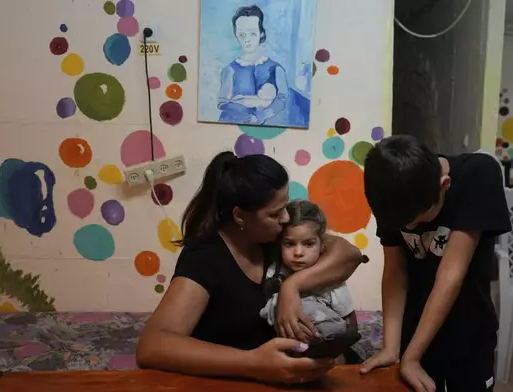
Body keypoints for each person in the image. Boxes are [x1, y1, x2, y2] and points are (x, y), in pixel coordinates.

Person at [136, 151, 363, 385]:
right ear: (240, 216)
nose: (286, 218)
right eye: (275, 213)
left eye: (285, 207)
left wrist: (292, 287)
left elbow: (350, 255)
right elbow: (152, 345)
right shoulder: (205, 257)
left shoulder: (273, 237)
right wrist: (254, 363)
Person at [359, 135, 511, 392]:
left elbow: (451, 273)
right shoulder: (391, 191)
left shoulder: (478, 174)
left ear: (445, 185)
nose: (409, 228)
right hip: (415, 330)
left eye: (417, 220)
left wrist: (412, 357)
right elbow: (396, 274)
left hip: (468, 334)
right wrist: (392, 348)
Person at [260, 199, 358, 338]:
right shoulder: (274, 273)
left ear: (322, 245)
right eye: (289, 244)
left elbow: (351, 326)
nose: (298, 252)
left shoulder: (332, 282)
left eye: (308, 244)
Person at [217, 5, 310, 127]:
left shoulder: (276, 69)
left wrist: (260, 116)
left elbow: (282, 100)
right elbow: (222, 103)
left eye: (252, 34)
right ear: (236, 35)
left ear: (261, 33)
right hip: (235, 126)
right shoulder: (229, 70)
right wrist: (245, 107)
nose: (247, 40)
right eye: (242, 34)